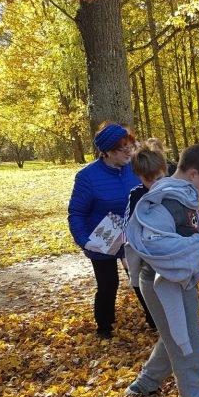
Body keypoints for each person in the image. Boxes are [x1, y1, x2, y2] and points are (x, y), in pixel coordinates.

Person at [123, 144, 199, 397]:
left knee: (174, 336)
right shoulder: (168, 199)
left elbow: (178, 239)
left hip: (175, 280)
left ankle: (145, 384)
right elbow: (156, 245)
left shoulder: (181, 195)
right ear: (193, 174)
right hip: (161, 283)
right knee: (187, 343)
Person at [68, 122, 141, 340]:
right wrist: (84, 240)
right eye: (122, 148)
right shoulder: (87, 177)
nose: (129, 151)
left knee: (140, 279)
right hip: (102, 238)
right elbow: (76, 212)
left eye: (130, 145)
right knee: (108, 284)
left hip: (131, 236)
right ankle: (104, 327)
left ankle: (155, 321)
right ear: (107, 152)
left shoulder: (135, 168)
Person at [124, 140, 170, 329]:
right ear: (139, 177)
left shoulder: (175, 191)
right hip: (149, 261)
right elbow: (129, 227)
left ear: (165, 171)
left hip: (172, 258)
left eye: (158, 178)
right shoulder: (136, 195)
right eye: (147, 180)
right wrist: (127, 254)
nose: (153, 184)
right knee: (157, 305)